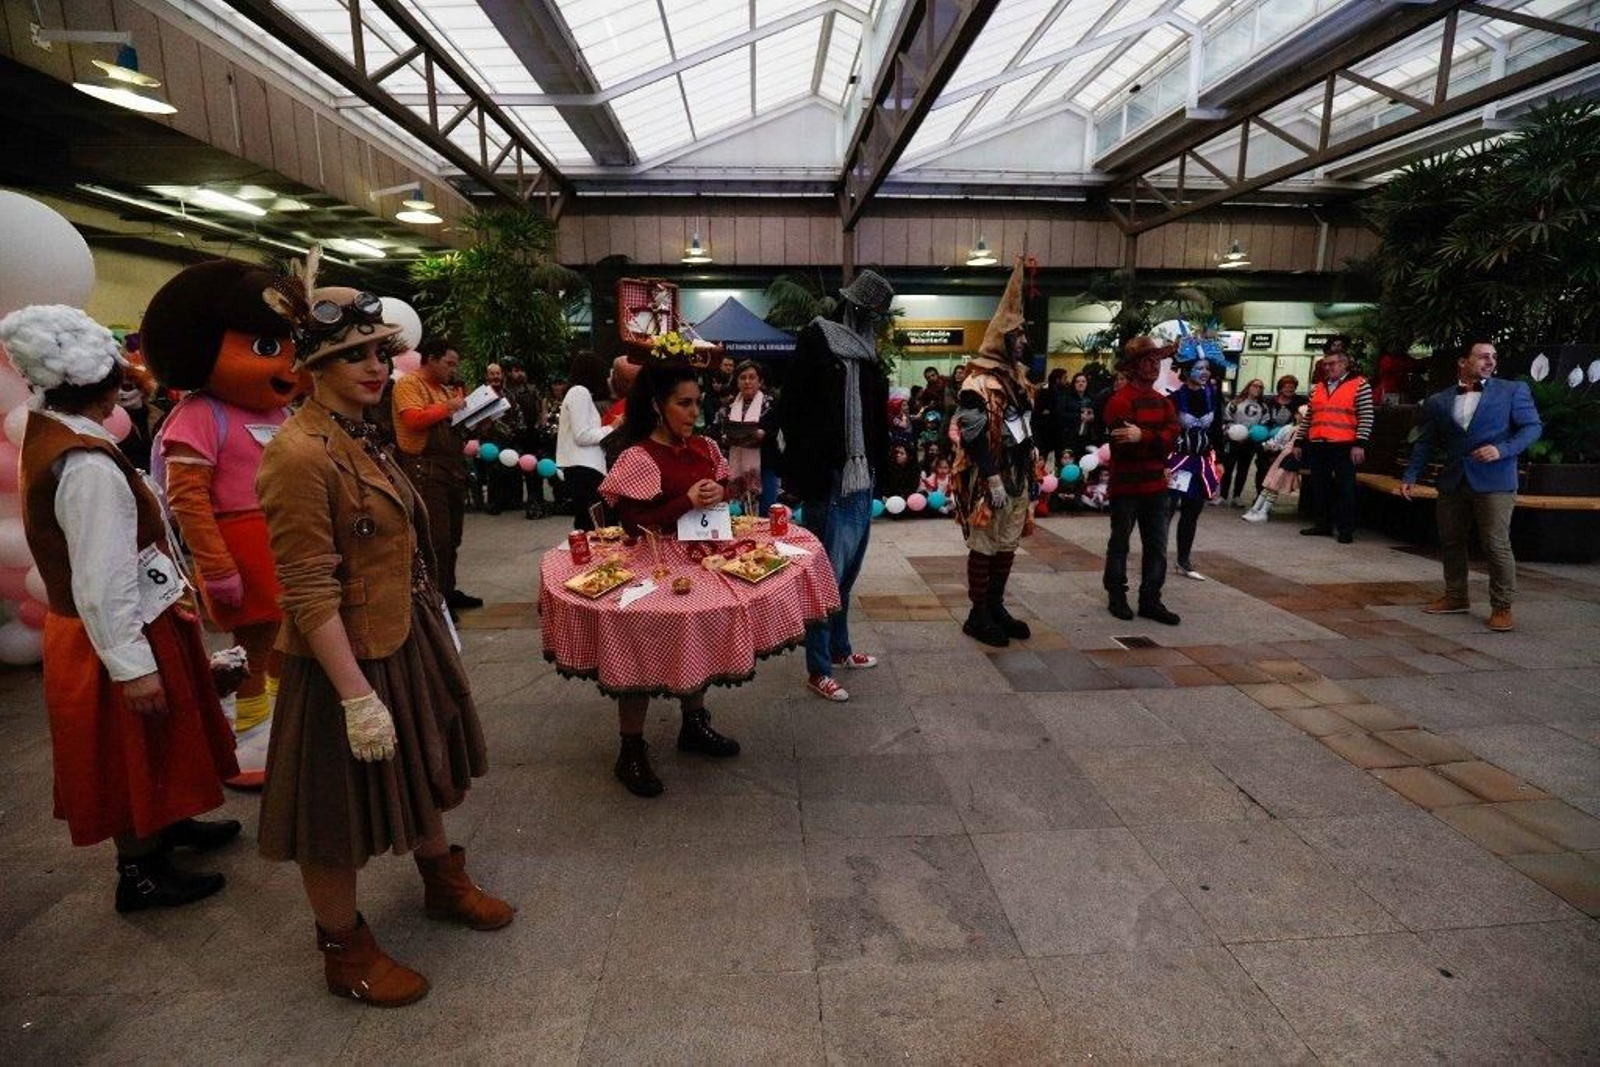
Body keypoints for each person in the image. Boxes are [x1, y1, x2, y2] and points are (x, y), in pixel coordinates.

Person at [256, 267, 511, 1008]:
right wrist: (355, 697)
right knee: (332, 814)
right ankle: (344, 949)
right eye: (355, 355)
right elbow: (307, 587)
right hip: (344, 661)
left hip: (401, 636)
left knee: (428, 767)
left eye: (380, 351)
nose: (376, 366)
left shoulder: (357, 435)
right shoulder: (298, 454)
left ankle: (440, 880)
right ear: (312, 368)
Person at [4, 304, 240, 913]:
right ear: (103, 384)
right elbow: (102, 576)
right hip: (117, 627)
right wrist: (131, 666)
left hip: (130, 618)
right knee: (130, 747)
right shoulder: (86, 466)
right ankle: (140, 870)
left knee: (160, 739)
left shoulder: (49, 427)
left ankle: (167, 824)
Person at [143, 259, 307, 789]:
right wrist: (216, 567)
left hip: (288, 544)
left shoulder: (280, 415)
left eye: (289, 347)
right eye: (265, 348)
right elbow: (187, 498)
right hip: (240, 546)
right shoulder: (200, 415)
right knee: (250, 647)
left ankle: (281, 729)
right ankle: (248, 732)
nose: (287, 364)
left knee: (291, 638)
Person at [597, 363, 742, 797]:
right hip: (655, 561)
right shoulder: (638, 456)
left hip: (704, 561)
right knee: (639, 648)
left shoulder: (703, 446)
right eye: (684, 403)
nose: (694, 412)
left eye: (697, 402)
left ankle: (694, 725)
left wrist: (722, 493)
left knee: (695, 639)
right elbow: (630, 521)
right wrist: (684, 501)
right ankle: (631, 749)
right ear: (658, 406)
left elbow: (724, 488)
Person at [781, 269, 894, 703]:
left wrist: (880, 473)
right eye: (868, 312)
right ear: (852, 306)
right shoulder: (819, 340)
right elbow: (793, 405)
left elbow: (874, 419)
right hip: (829, 480)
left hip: (860, 480)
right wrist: (806, 464)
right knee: (823, 579)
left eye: (877, 316)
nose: (872, 322)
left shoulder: (868, 353)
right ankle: (818, 668)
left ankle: (841, 649)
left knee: (846, 577)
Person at [1401, 340, 1542, 632]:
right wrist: (1411, 475)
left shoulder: (1512, 390)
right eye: (1482, 356)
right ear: (1463, 362)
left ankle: (1502, 607)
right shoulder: (1439, 400)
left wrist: (1502, 450)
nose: (1489, 361)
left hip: (1495, 479)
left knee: (1495, 544)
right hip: (1454, 479)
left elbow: (1532, 427)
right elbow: (1426, 441)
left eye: (1493, 357)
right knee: (1451, 541)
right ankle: (1456, 596)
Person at [952, 258, 1038, 647]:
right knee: (984, 545)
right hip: (992, 479)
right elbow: (971, 436)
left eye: (1023, 334)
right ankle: (978, 614)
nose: (1023, 340)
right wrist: (991, 477)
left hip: (1018, 475)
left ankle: (996, 606)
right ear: (1002, 338)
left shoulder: (1018, 378)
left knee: (1007, 543)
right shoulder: (977, 382)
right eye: (1016, 335)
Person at [393, 338, 480, 610]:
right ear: (430, 358)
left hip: (451, 468)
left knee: (453, 536)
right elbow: (413, 420)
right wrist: (449, 407)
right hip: (425, 469)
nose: (452, 370)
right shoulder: (409, 384)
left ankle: (448, 590)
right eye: (449, 363)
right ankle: (435, 600)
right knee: (436, 538)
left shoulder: (444, 389)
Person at [1102, 336, 1181, 624]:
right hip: (1126, 486)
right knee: (1120, 543)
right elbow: (1125, 445)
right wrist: (1153, 440)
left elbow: (1171, 441)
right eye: (1148, 360)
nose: (1155, 365)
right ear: (1134, 366)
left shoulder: (1163, 403)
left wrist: (1144, 435)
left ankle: (1150, 599)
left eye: (1158, 360)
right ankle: (1117, 595)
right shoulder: (1119, 401)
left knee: (1156, 545)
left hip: (1155, 487)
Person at [1294, 337, 1372, 544]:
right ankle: (1323, 525)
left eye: (1332, 364)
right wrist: (1299, 441)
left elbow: (1366, 416)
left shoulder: (1360, 385)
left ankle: (1346, 529)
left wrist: (1360, 444)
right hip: (1318, 444)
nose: (1327, 367)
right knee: (1320, 486)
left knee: (1345, 488)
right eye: (1325, 364)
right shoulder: (1317, 388)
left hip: (1345, 445)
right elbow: (1309, 417)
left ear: (1344, 364)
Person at [1167, 360, 1223, 581]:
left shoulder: (1213, 395)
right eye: (1199, 368)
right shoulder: (1173, 398)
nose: (1204, 372)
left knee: (1192, 513)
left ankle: (1184, 560)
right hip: (1177, 462)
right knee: (1166, 511)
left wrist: (1220, 459)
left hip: (1201, 462)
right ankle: (1155, 558)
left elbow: (1217, 428)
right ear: (1187, 370)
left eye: (1207, 368)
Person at [556, 351, 613, 530]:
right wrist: (612, 428)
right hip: (584, 470)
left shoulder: (579, 393)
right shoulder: (579, 392)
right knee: (593, 524)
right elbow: (582, 435)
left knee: (590, 522)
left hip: (584, 469)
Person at [723, 359, 781, 514]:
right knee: (744, 515)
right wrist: (727, 436)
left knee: (767, 512)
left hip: (766, 464)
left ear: (760, 381)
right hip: (738, 466)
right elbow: (719, 430)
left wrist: (761, 433)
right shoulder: (729, 406)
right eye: (742, 377)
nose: (747, 381)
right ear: (737, 382)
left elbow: (772, 429)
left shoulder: (771, 403)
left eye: (752, 377)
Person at [1242, 417, 1304, 523]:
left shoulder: (1302, 431)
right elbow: (1281, 443)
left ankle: (1263, 512)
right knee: (1268, 485)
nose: (1300, 416)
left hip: (1289, 461)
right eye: (1299, 414)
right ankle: (1255, 510)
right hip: (1282, 458)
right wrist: (1270, 445)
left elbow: (1296, 447)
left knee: (1274, 486)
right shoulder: (1291, 428)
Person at [1219, 377, 1269, 507]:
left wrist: (1251, 436)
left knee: (1243, 469)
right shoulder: (1235, 403)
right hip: (1233, 440)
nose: (1257, 389)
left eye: (1260, 387)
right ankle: (1222, 495)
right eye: (1255, 385)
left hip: (1250, 442)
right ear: (1248, 386)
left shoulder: (1263, 407)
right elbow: (1226, 420)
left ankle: (1237, 496)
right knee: (1228, 468)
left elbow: (1263, 425)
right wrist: (1232, 433)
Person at [1057, 372, 1096, 465]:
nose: (1080, 383)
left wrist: (1093, 417)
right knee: (1068, 464)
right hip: (1069, 437)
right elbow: (1059, 415)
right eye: (1077, 381)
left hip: (1087, 437)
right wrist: (1078, 416)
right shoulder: (1066, 397)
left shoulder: (1091, 398)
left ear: (1087, 383)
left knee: (1083, 464)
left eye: (1083, 381)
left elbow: (1098, 414)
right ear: (1073, 384)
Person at [1033, 368, 1064, 470]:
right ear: (1058, 379)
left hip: (1057, 431)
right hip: (1045, 431)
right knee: (1042, 460)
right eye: (1064, 378)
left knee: (1059, 460)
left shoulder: (1063, 392)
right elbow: (1039, 412)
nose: (1066, 381)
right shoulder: (1044, 392)